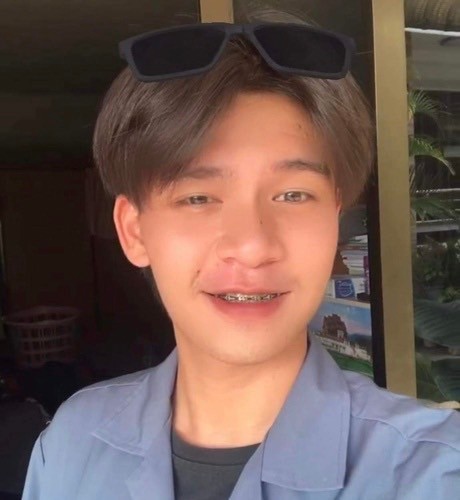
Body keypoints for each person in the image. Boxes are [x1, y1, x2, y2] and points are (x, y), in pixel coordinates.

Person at [23, 10, 460, 500]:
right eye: (198, 198)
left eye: (293, 195)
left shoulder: (435, 472)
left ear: (334, 220)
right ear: (134, 231)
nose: (252, 246)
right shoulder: (72, 445)